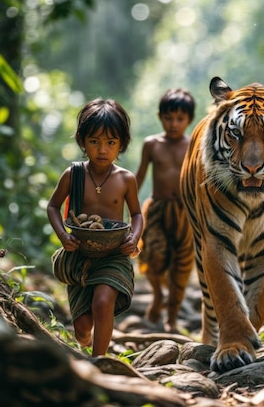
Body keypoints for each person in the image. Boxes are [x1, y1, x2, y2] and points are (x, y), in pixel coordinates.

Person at [47, 98, 143, 356]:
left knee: (103, 303)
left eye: (110, 143)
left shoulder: (125, 179)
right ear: (82, 141)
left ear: (121, 143)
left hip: (113, 255)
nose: (102, 150)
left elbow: (136, 214)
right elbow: (53, 207)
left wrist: (134, 237)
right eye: (94, 142)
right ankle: (85, 340)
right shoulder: (73, 175)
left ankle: (99, 361)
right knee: (81, 326)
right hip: (79, 255)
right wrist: (63, 235)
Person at [135, 88, 196, 332]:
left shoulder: (194, 144)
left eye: (180, 119)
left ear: (189, 120)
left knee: (181, 266)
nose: (174, 124)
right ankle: (158, 294)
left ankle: (171, 317)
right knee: (153, 256)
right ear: (160, 117)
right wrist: (129, 206)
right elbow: (139, 177)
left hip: (185, 212)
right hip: (157, 209)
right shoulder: (152, 144)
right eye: (169, 118)